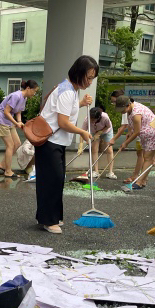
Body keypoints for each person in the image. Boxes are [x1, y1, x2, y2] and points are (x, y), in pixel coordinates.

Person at [35, 56, 96, 234]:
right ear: (79, 73)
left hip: (56, 142)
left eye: (92, 78)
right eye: (89, 77)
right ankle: (48, 220)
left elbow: (64, 110)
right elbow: (62, 122)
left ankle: (52, 217)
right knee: (51, 181)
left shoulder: (70, 89)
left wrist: (81, 103)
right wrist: (82, 132)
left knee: (55, 180)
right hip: (50, 142)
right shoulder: (67, 91)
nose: (90, 82)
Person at [0, 80, 40, 178]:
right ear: (28, 88)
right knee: (10, 145)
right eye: (34, 91)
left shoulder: (24, 98)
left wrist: (19, 121)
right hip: (1, 120)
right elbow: (6, 111)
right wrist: (16, 123)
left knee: (17, 143)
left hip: (8, 121)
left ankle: (3, 164)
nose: (34, 94)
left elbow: (18, 111)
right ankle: (8, 171)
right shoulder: (16, 96)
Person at [116, 97, 155, 188]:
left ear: (128, 105)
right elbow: (132, 127)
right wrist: (129, 133)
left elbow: (137, 131)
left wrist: (126, 142)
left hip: (151, 133)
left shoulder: (136, 113)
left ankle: (139, 182)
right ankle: (143, 181)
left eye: (122, 109)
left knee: (147, 158)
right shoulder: (130, 110)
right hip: (144, 134)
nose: (121, 111)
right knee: (146, 157)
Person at [81, 106, 116, 179]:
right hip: (94, 132)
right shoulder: (87, 119)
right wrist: (81, 146)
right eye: (90, 118)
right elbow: (82, 132)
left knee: (109, 149)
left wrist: (99, 132)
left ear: (98, 118)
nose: (91, 120)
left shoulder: (105, 117)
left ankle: (110, 172)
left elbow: (108, 126)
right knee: (94, 149)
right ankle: (96, 171)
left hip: (107, 131)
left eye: (93, 119)